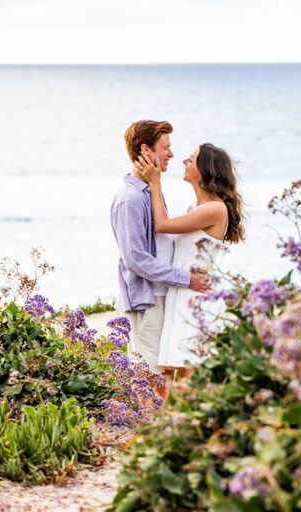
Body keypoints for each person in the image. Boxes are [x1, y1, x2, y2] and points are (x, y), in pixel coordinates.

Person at [111, 120, 209, 398]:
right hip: (146, 300)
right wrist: (187, 279)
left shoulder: (149, 191)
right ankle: (147, 435)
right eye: (165, 148)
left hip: (158, 296)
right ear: (145, 150)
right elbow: (136, 259)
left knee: (163, 377)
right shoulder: (130, 198)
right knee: (149, 380)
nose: (171, 155)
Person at [135, 142, 246, 378]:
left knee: (191, 370)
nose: (184, 162)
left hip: (196, 295)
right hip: (184, 289)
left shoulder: (215, 209)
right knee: (179, 370)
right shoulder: (194, 207)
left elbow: (162, 224)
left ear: (205, 170)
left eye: (191, 159)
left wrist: (155, 182)